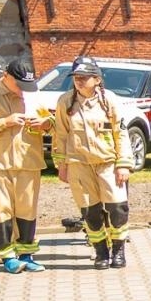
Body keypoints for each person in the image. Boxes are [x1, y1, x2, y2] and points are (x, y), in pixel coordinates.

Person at [52, 57, 133, 268]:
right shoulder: (65, 102)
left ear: (97, 79)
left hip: (107, 163)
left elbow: (121, 133)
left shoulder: (110, 101)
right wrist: (61, 164)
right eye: (76, 78)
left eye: (84, 78)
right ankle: (101, 252)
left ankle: (118, 250)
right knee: (90, 211)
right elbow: (60, 134)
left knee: (117, 207)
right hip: (79, 164)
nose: (79, 81)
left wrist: (123, 164)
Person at [0, 58, 52, 271]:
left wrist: (45, 123)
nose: (23, 91)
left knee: (27, 208)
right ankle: (7, 257)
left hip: (28, 161)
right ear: (7, 76)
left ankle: (26, 254)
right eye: (19, 85)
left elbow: (51, 121)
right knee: (0, 209)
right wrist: (4, 122)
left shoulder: (33, 95)